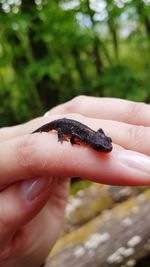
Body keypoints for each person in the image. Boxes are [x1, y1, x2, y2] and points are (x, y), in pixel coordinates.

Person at [1, 96, 150, 267]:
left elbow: (100, 131)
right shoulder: (84, 138)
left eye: (104, 146)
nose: (106, 149)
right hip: (61, 124)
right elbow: (72, 134)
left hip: (72, 125)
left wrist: (106, 141)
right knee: (62, 130)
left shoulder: (94, 137)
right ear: (93, 145)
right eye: (101, 148)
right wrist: (62, 139)